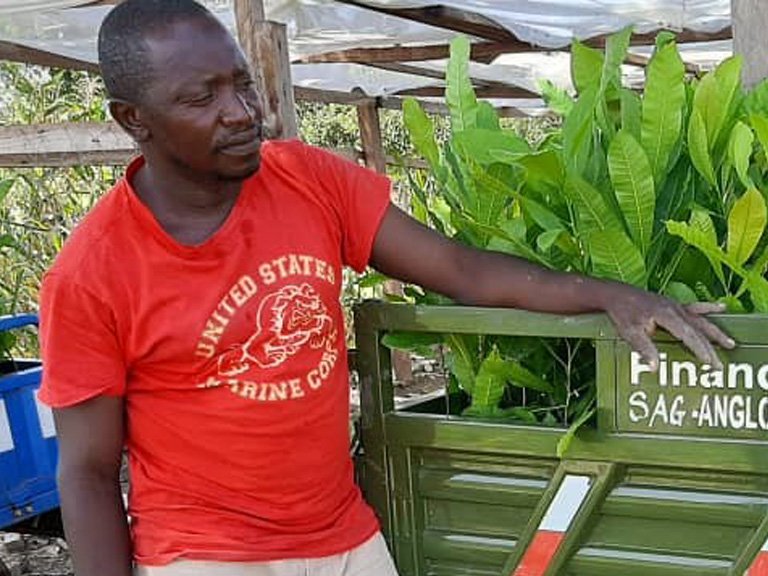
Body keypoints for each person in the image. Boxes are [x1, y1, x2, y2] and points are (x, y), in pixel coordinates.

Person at [37, 1, 734, 575]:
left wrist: (611, 293)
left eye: (241, 82)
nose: (243, 111)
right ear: (134, 120)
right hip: (206, 554)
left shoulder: (309, 180)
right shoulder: (92, 273)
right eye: (202, 97)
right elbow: (90, 473)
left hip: (344, 537)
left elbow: (461, 270)